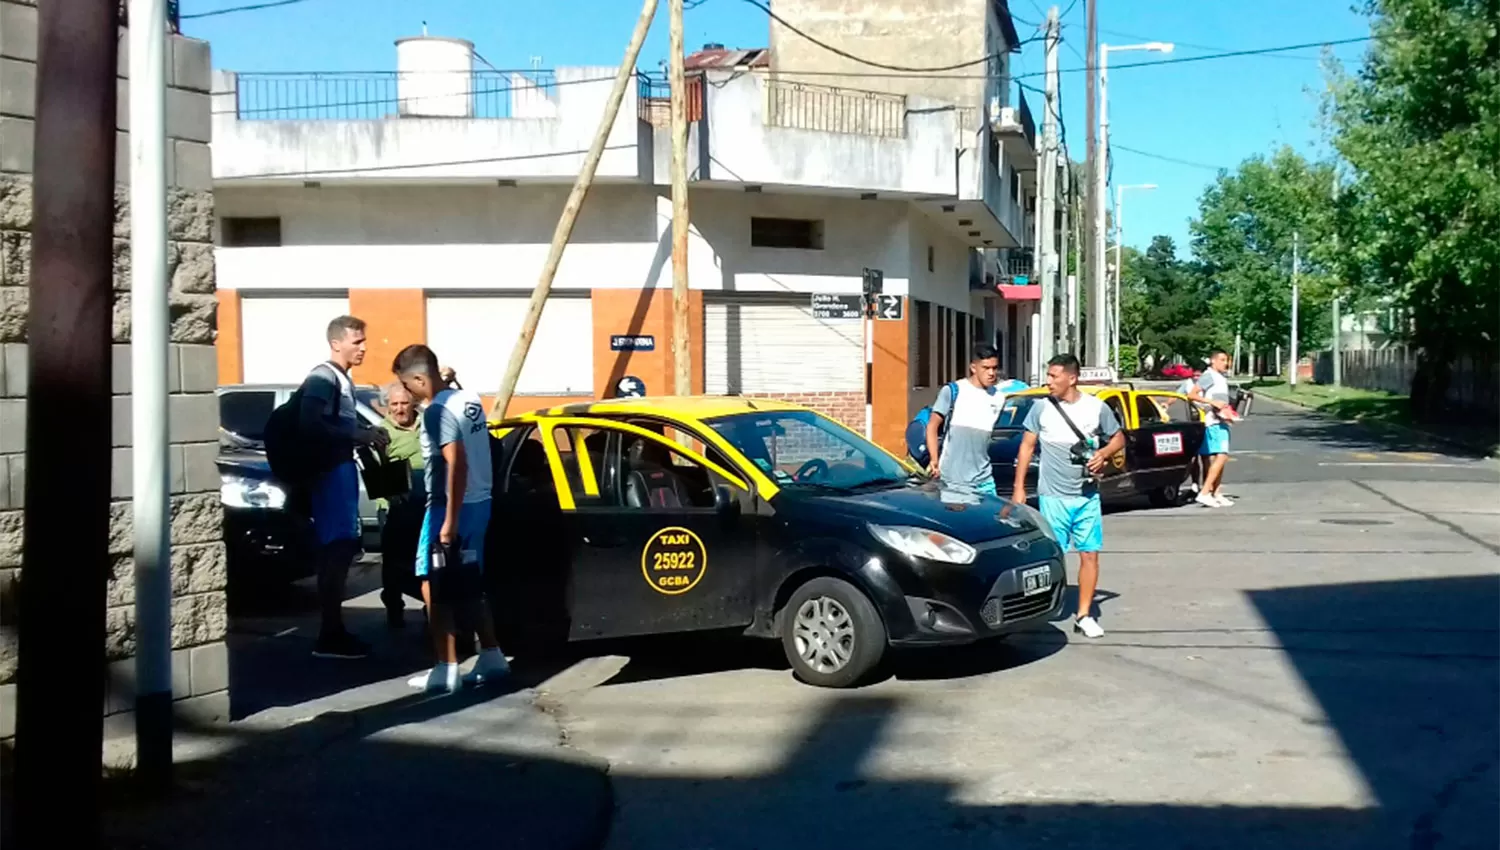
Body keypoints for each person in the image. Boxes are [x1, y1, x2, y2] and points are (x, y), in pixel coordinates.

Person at [392, 344, 510, 693]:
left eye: (408, 386)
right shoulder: (467, 398)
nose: (408, 395)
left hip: (450, 507)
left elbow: (455, 465)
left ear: (418, 377)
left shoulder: (436, 413)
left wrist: (448, 523)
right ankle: (491, 654)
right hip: (481, 502)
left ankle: (446, 666)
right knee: (470, 583)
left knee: (433, 583)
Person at [1012, 353, 1125, 640]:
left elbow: (1119, 438)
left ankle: (1084, 615)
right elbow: (1026, 447)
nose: (1048, 381)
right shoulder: (1041, 409)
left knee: (1089, 555)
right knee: (1052, 556)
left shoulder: (1096, 408)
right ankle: (1040, 613)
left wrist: (1103, 454)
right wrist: (1019, 487)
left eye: (1054, 376)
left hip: (1087, 496)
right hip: (1053, 496)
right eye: (1048, 375)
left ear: (1071, 378)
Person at [301, 315, 390, 659]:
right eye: (356, 342)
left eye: (364, 341)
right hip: (331, 473)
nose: (363, 348)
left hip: (339, 470)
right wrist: (358, 434)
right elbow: (310, 423)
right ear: (336, 343)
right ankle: (330, 635)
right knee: (336, 552)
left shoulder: (339, 379)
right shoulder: (324, 377)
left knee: (340, 551)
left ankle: (334, 631)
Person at [925, 342, 1007, 495]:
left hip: (985, 480)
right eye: (986, 368)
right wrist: (934, 460)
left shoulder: (998, 397)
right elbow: (932, 426)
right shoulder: (953, 391)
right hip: (954, 481)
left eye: (994, 368)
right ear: (973, 368)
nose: (991, 373)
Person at [378, 382, 426, 629]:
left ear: (413, 404)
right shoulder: (381, 432)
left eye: (404, 403)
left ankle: (432, 606)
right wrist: (388, 498)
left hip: (426, 504)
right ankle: (393, 604)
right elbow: (374, 470)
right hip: (397, 507)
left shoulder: (427, 425)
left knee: (428, 558)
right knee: (395, 562)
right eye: (394, 404)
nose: (399, 409)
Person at [1189, 349, 1235, 508]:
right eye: (1222, 360)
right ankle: (1205, 492)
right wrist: (1212, 403)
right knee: (1221, 456)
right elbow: (1192, 395)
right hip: (1212, 422)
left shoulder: (1220, 378)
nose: (1225, 363)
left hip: (1221, 420)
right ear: (1213, 361)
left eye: (1226, 360)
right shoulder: (1208, 375)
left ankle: (1216, 492)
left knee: (1218, 458)